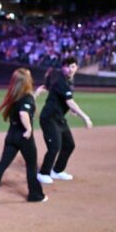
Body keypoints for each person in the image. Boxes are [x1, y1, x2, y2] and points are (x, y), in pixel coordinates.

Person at [0, 68, 48, 203]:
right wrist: (28, 129)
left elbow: (25, 103)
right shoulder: (26, 98)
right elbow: (24, 113)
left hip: (11, 135)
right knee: (31, 165)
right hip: (23, 137)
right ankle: (35, 195)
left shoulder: (14, 96)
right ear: (26, 82)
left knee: (3, 163)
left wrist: (36, 94)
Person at [37, 56, 93, 184]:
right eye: (67, 66)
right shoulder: (61, 81)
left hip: (59, 118)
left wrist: (71, 109)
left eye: (73, 66)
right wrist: (85, 117)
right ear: (63, 68)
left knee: (69, 145)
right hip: (49, 118)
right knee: (54, 146)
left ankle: (57, 170)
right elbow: (70, 101)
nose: (70, 69)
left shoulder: (70, 81)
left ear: (77, 67)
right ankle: (43, 173)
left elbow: (64, 100)